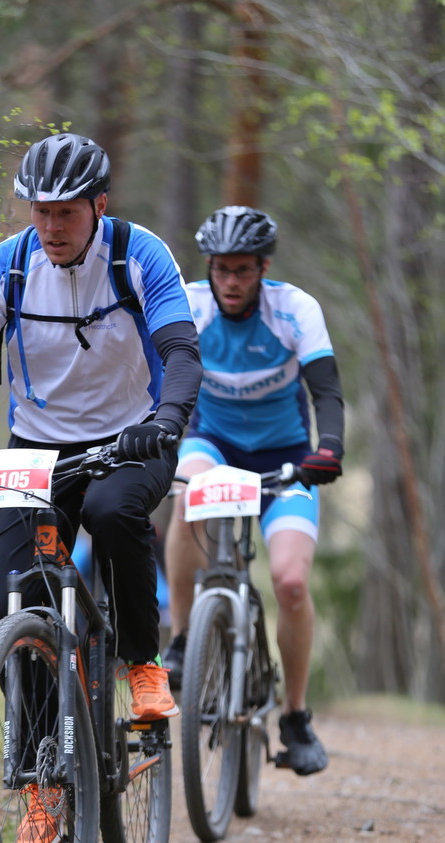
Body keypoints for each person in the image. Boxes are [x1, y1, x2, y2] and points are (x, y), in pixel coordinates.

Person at [0, 132, 202, 843]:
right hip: (36, 449)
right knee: (9, 600)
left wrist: (164, 421)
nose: (52, 226)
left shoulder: (139, 255)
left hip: (133, 438)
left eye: (66, 211)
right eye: (40, 211)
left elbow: (182, 353)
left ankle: (144, 663)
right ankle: (40, 783)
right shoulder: (5, 267)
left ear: (99, 204)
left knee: (111, 509)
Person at [163, 205, 344, 776]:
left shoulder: (294, 310)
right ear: (209, 269)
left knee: (291, 582)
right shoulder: (189, 305)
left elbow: (327, 391)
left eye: (243, 270)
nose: (232, 282)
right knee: (187, 491)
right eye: (222, 270)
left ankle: (294, 714)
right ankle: (184, 641)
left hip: (286, 457)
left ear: (263, 268)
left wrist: (330, 447)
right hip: (211, 442)